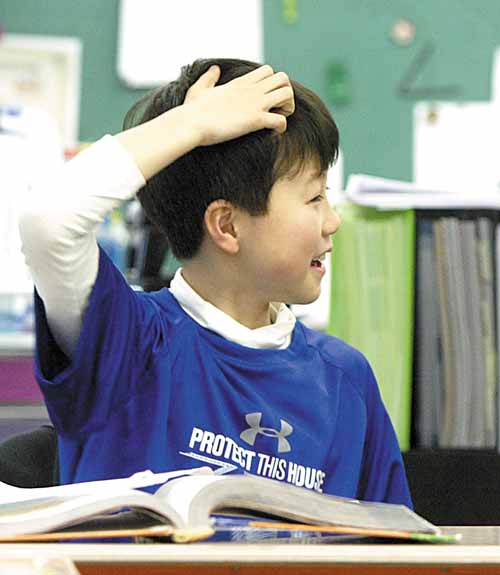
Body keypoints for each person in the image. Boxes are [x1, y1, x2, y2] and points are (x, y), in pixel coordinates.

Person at [19, 58, 412, 506]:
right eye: (314, 197)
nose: (333, 222)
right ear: (226, 225)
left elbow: (392, 546)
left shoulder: (345, 379)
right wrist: (192, 124)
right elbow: (48, 221)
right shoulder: (130, 343)